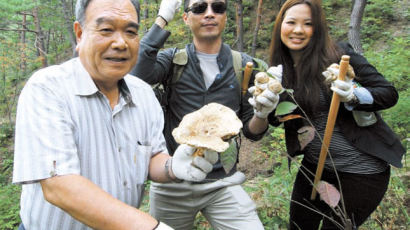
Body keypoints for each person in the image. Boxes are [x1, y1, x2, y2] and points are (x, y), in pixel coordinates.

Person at [12, 0, 218, 229]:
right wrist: (151, 227)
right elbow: (58, 184)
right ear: (80, 34)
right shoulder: (48, 88)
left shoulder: (144, 95)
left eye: (130, 32)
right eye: (106, 30)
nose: (120, 43)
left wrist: (173, 167)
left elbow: (152, 156)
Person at [131, 0, 281, 229]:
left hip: (222, 182)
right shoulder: (173, 61)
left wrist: (262, 113)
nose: (209, 14)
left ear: (225, 17)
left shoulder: (243, 66)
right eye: (200, 8)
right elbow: (135, 75)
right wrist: (161, 20)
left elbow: (252, 133)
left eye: (217, 8)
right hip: (172, 180)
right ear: (185, 18)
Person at [266, 0, 405, 229]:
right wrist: (266, 106)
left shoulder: (340, 56)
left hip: (362, 171)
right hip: (315, 167)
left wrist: (354, 95)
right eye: (291, 22)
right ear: (280, 25)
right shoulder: (280, 72)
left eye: (308, 24)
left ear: (318, 29)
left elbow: (388, 93)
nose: (298, 30)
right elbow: (276, 119)